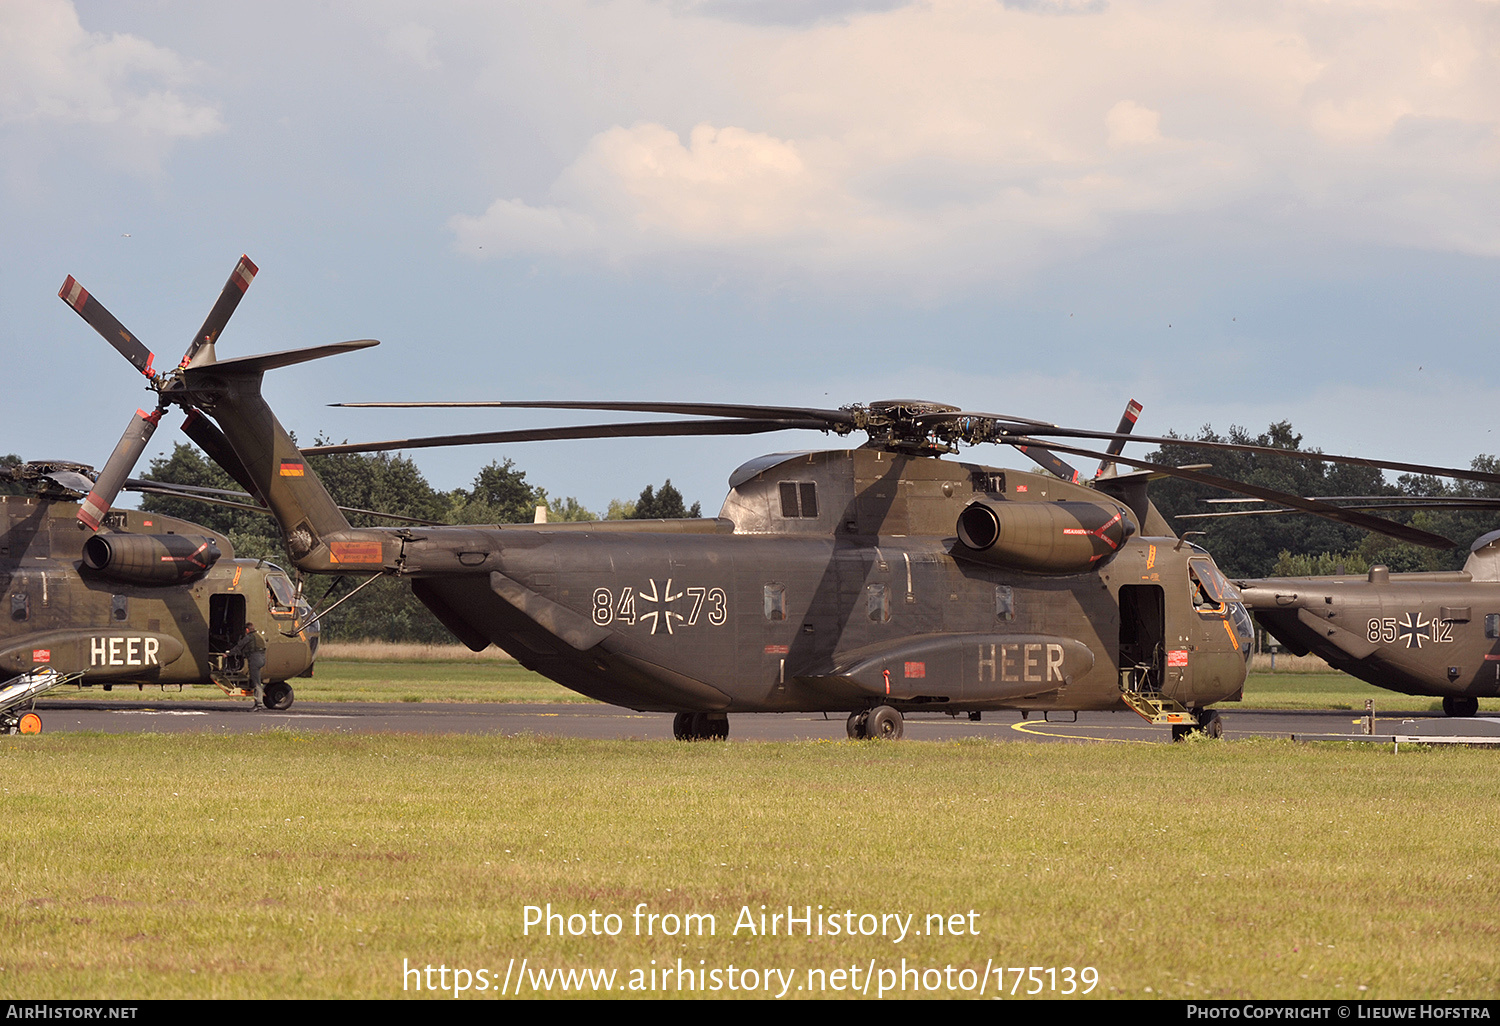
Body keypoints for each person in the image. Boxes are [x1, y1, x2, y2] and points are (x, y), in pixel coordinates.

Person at [230, 622, 268, 710]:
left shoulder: (249, 637)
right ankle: (259, 701)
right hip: (262, 659)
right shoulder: (259, 636)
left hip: (254, 660)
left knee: (256, 683)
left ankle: (258, 704)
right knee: (256, 680)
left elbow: (239, 646)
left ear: (247, 630)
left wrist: (229, 654)